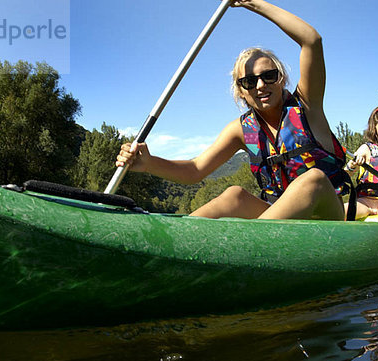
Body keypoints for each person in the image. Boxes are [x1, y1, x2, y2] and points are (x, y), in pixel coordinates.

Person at [115, 0, 352, 221]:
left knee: (313, 179)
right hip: (278, 219)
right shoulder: (241, 129)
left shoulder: (307, 106)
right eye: (249, 81)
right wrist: (149, 163)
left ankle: (251, 246)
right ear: (240, 91)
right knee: (234, 195)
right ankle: (171, 245)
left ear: (281, 80)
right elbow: (195, 170)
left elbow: (311, 40)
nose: (260, 85)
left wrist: (251, 2)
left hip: (326, 219)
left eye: (269, 76)